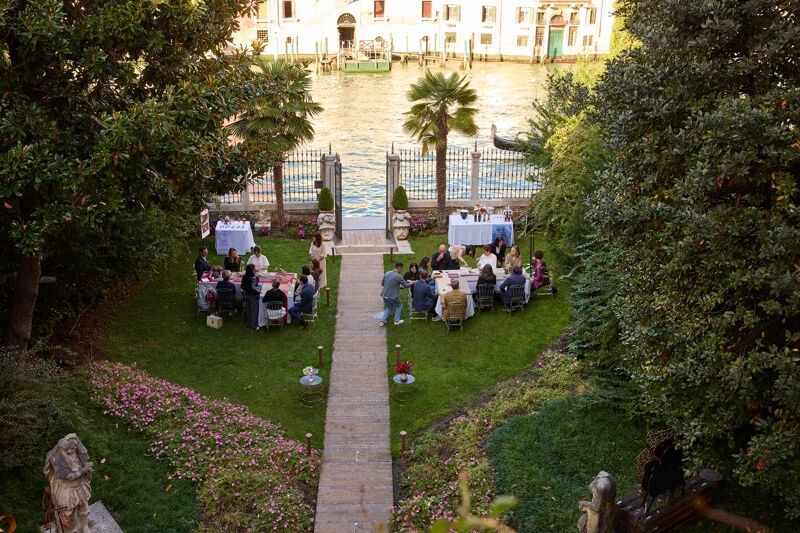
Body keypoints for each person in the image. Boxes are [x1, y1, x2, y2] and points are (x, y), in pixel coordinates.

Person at [44, 433, 93, 533]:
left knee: (83, 506)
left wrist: (85, 467)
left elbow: (84, 457)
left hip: (80, 485)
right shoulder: (56, 457)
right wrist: (84, 469)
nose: (71, 451)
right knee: (67, 512)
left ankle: (84, 526)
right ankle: (69, 530)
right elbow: (68, 476)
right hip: (66, 489)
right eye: (69, 450)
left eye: (74, 448)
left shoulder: (76, 449)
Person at [378, 261, 414, 326]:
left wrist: (396, 286)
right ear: (399, 268)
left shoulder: (387, 273)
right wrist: (412, 283)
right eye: (401, 268)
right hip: (393, 296)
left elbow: (382, 284)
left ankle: (382, 321)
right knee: (399, 306)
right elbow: (406, 285)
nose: (401, 270)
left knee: (389, 307)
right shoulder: (398, 276)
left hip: (384, 295)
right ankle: (396, 321)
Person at [241, 264, 261, 331]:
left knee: (248, 310)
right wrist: (258, 292)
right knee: (254, 312)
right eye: (254, 267)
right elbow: (253, 288)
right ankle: (253, 327)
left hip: (247, 295)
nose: (255, 268)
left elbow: (242, 286)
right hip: (253, 296)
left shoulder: (245, 276)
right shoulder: (253, 278)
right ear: (252, 269)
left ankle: (248, 324)